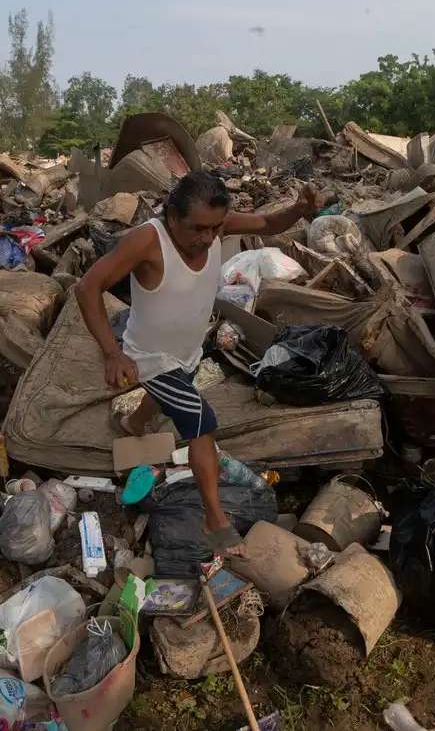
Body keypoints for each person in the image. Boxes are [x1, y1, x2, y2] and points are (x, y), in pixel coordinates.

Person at [75, 170, 324, 557]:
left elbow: (268, 222)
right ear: (172, 215)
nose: (208, 239)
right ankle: (215, 519)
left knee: (174, 395)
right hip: (150, 357)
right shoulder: (146, 241)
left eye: (215, 229)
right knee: (201, 424)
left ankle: (133, 423)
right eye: (198, 229)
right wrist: (113, 352)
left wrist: (300, 208)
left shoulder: (214, 227)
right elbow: (87, 286)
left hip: (187, 349)